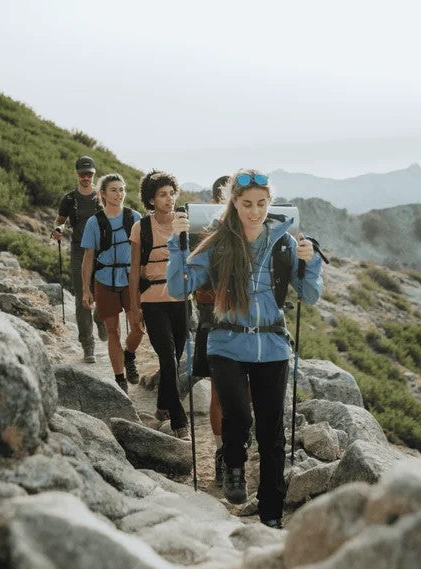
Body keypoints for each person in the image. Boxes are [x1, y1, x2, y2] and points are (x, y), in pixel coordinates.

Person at [168, 169, 323, 529]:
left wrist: (310, 261)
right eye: (247, 203)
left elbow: (309, 295)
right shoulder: (217, 242)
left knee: (272, 433)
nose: (255, 211)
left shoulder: (285, 243)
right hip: (226, 343)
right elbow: (180, 287)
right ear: (233, 203)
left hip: (272, 346)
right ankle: (233, 464)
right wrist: (176, 245)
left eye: (262, 203)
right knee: (237, 413)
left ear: (270, 203)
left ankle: (271, 512)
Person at [130, 170, 190, 441]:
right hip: (153, 302)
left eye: (171, 193)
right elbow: (134, 272)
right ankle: (179, 420)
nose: (169, 199)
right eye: (162, 195)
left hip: (182, 302)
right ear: (151, 200)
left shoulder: (184, 224)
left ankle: (163, 405)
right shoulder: (141, 227)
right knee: (167, 357)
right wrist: (134, 308)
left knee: (173, 360)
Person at [79, 174, 144, 391]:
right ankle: (120, 380)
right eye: (114, 190)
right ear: (103, 194)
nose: (119, 194)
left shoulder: (134, 217)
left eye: (122, 189)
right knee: (113, 331)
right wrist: (86, 290)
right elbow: (88, 257)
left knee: (138, 326)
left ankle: (130, 355)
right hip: (104, 279)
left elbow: (143, 252)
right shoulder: (94, 222)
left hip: (130, 279)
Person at [191, 175, 230, 483]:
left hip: (245, 318)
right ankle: (222, 452)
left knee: (245, 391)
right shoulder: (204, 232)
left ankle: (233, 448)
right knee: (218, 390)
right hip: (213, 315)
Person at [52, 156, 106, 363]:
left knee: (101, 292)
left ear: (94, 174)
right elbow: (61, 221)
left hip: (101, 252)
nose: (86, 177)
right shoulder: (69, 199)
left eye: (89, 174)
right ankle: (88, 345)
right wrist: (58, 229)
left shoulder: (101, 197)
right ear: (76, 174)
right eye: (82, 174)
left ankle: (100, 318)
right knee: (82, 297)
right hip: (78, 251)